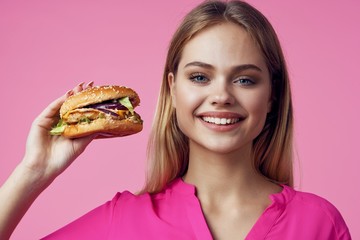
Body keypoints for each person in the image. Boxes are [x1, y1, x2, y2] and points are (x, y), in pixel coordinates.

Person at [0, 0, 351, 239]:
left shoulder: (319, 223)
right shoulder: (123, 221)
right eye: (200, 77)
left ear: (272, 94)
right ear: (172, 89)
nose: (221, 95)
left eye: (244, 79)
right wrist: (34, 171)